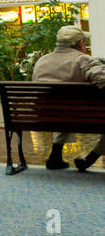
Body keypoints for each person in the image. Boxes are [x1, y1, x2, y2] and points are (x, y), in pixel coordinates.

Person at [31, 25, 105, 171]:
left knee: (63, 107)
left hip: (44, 116)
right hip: (79, 116)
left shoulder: (42, 60)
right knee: (71, 109)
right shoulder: (82, 60)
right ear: (80, 43)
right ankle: (89, 159)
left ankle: (55, 155)